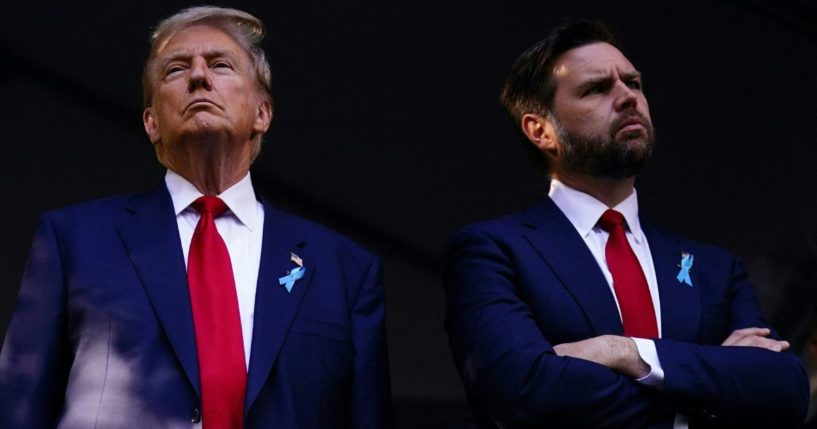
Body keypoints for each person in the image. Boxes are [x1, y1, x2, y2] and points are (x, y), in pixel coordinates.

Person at [0, 6, 390, 428]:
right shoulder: (73, 241)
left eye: (220, 65)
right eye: (175, 70)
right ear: (151, 122)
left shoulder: (345, 269)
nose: (199, 77)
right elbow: (18, 408)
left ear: (262, 113)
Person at [442, 19, 808, 428]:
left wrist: (625, 352)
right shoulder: (491, 252)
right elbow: (524, 395)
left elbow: (786, 390)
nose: (627, 97)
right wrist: (713, 387)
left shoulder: (714, 270)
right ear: (540, 130)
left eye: (633, 83)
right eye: (596, 89)